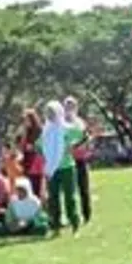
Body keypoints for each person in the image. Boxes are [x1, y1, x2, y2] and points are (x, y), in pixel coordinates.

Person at [41, 100, 80, 235]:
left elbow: (82, 135)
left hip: (67, 167)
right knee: (53, 197)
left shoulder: (66, 128)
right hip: (52, 169)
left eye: (52, 112)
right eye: (48, 112)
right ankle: (56, 224)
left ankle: (75, 223)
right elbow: (39, 146)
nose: (50, 115)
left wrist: (71, 146)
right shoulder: (46, 130)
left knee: (70, 197)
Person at [64, 96, 94, 224]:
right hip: (66, 161)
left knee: (83, 188)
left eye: (71, 106)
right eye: (67, 106)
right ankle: (71, 216)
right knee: (68, 191)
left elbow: (86, 138)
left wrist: (78, 145)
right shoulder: (61, 123)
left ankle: (87, 214)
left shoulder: (80, 122)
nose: (69, 109)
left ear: (76, 108)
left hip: (80, 159)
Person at [17, 108, 45, 199]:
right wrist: (24, 132)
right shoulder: (24, 131)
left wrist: (34, 147)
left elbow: (43, 147)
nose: (25, 122)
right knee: (27, 184)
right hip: (26, 160)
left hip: (36, 161)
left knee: (36, 184)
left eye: (27, 120)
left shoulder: (39, 131)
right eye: (24, 120)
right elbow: (21, 146)